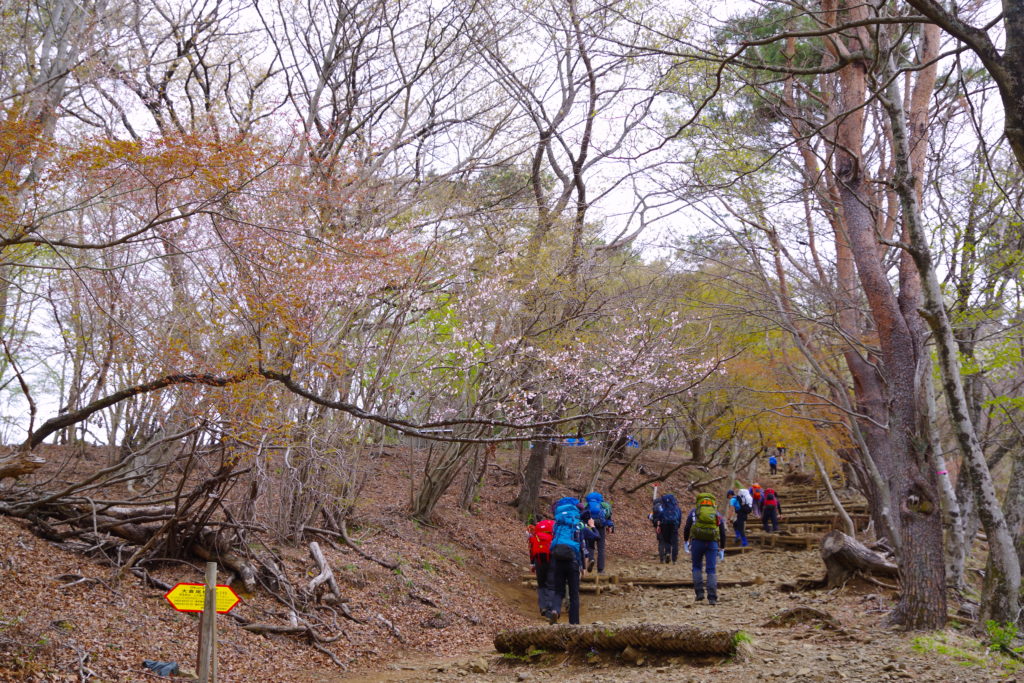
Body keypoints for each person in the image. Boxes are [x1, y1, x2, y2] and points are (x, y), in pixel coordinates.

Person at [544, 497, 598, 624]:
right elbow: (588, 541)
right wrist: (582, 567)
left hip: (557, 560)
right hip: (573, 561)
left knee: (558, 591)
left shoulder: (557, 525)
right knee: (574, 594)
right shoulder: (578, 525)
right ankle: (574, 624)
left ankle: (555, 611)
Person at [683, 492, 727, 605]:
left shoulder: (694, 512)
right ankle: (712, 597)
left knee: (696, 567)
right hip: (712, 543)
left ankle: (699, 593)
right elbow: (722, 531)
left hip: (697, 542)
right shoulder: (716, 513)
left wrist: (686, 541)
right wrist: (722, 548)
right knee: (711, 569)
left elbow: (687, 527)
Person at [527, 519, 555, 616]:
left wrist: (532, 564)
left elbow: (531, 550)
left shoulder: (535, 536)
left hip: (538, 561)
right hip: (551, 560)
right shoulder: (553, 536)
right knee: (551, 585)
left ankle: (543, 607)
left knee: (541, 584)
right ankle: (550, 608)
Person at [581, 491, 614, 573]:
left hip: (589, 526)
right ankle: (601, 569)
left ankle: (591, 559)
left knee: (590, 546)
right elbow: (608, 517)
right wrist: (609, 526)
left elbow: (581, 516)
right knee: (601, 548)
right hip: (601, 527)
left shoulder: (586, 505)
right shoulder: (604, 505)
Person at [654, 493, 683, 563]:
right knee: (675, 542)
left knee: (667, 540)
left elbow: (659, 517)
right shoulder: (677, 508)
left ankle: (667, 553)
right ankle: (674, 559)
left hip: (665, 525)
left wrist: (658, 526)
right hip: (674, 525)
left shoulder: (662, 507)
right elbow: (679, 517)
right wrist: (678, 525)